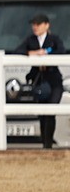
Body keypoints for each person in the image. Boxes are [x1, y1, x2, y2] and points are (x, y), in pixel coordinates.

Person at [16, 13, 64, 149]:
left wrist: (47, 56)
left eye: (38, 24)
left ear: (46, 25)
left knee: (50, 112)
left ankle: (48, 143)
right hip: (39, 81)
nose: (35, 27)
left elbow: (61, 51)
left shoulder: (54, 39)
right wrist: (35, 53)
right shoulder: (30, 40)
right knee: (42, 114)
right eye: (33, 24)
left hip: (53, 81)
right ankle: (44, 143)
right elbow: (18, 50)